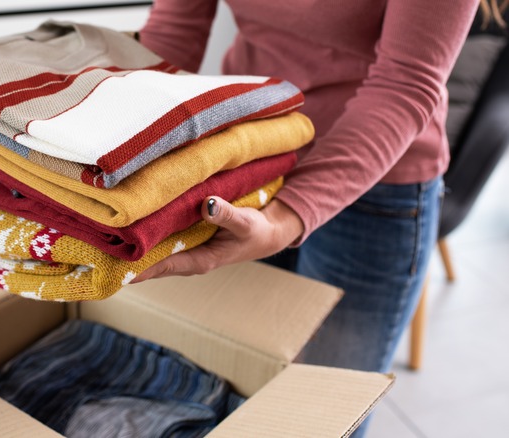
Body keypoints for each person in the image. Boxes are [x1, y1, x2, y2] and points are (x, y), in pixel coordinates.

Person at [133, 0, 489, 435]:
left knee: (319, 414)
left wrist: (286, 219)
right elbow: (175, 29)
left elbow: (406, 84)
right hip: (252, 152)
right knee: (230, 384)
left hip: (376, 185)